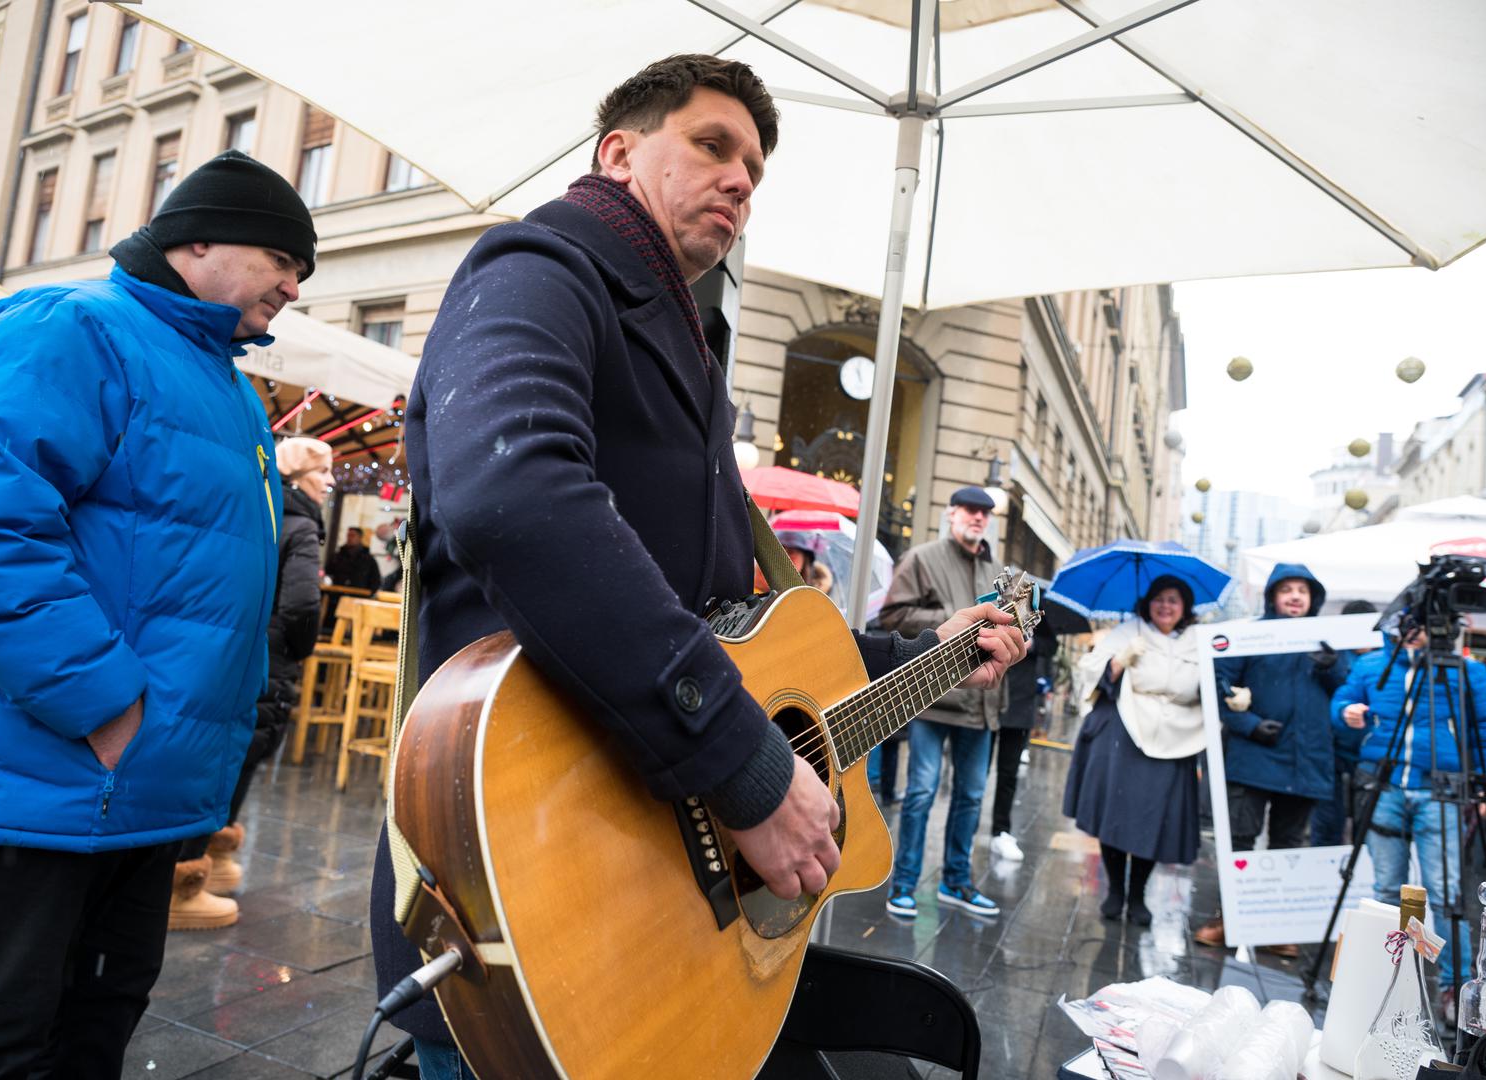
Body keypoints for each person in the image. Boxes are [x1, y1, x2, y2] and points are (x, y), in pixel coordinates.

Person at [371, 55, 1030, 1078]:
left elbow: (736, 634)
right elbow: (515, 496)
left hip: (644, 902)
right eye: (712, 146)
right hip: (536, 872)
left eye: (756, 169)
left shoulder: (682, 341)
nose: (740, 181)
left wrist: (915, 650)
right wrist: (746, 770)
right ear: (620, 151)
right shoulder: (541, 268)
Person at [0, 149, 313, 1077]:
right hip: (31, 784)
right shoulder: (75, 325)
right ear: (198, 237)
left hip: (135, 793)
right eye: (284, 259)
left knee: (91, 1036)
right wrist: (103, 705)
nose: (294, 286)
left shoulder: (222, 378)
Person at [169, 436, 334, 929]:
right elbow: (303, 604)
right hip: (271, 658)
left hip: (232, 651)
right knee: (240, 757)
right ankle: (181, 883)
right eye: (323, 472)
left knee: (223, 752)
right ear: (299, 477)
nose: (329, 482)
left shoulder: (257, 511)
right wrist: (296, 647)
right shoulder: (302, 525)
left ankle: (208, 862)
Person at [1333, 625, 1486, 1023]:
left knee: (1446, 895)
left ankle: (1454, 989)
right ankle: (1383, 978)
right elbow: (1342, 701)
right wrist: (1345, 711)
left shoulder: (1467, 671)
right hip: (1384, 784)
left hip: (1440, 792)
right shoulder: (1373, 664)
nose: (1415, 632)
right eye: (1409, 623)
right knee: (1385, 890)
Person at [1195, 562, 1346, 955]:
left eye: (1303, 590)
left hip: (1305, 762)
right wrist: (1247, 724)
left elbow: (1347, 692)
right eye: (1287, 589)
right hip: (1254, 756)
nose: (1295, 596)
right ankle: (1228, 917)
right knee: (1240, 841)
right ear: (1273, 597)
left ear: (1313, 598)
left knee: (1288, 845)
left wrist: (1333, 669)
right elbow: (1219, 685)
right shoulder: (1249, 635)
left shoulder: (1328, 643)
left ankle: (1275, 928)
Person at [877, 486, 1007, 920]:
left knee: (971, 797)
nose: (978, 517)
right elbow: (891, 616)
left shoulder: (997, 570)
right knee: (920, 794)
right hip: (933, 699)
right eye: (970, 510)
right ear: (951, 513)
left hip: (981, 705)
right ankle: (905, 885)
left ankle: (957, 882)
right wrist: (954, 621)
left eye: (985, 512)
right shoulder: (923, 557)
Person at [1063, 575, 1205, 926]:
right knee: (1117, 814)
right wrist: (1119, 661)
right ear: (1148, 602)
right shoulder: (1128, 632)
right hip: (1126, 732)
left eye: (1173, 600)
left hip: (1176, 739)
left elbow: (1212, 684)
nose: (1165, 606)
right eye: (1159, 598)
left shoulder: (1198, 642)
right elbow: (1093, 677)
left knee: (1153, 819)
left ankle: (1138, 894)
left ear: (1185, 607)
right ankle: (1115, 891)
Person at [987, 610, 1058, 862]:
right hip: (989, 696)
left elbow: (1051, 645)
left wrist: (1032, 643)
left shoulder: (1039, 610)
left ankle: (1001, 831)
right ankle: (965, 834)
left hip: (1021, 701)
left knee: (1008, 773)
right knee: (974, 777)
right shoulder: (994, 604)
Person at [1308, 598, 1380, 847]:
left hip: (1371, 756)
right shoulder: (1331, 654)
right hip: (1332, 753)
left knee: (1369, 824)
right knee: (1328, 822)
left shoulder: (1386, 659)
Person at [325, 525, 382, 592]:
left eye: (353, 535)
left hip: (359, 596)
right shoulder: (337, 557)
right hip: (337, 595)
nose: (349, 538)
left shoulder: (369, 560)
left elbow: (375, 581)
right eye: (348, 535)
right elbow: (328, 574)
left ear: (360, 538)